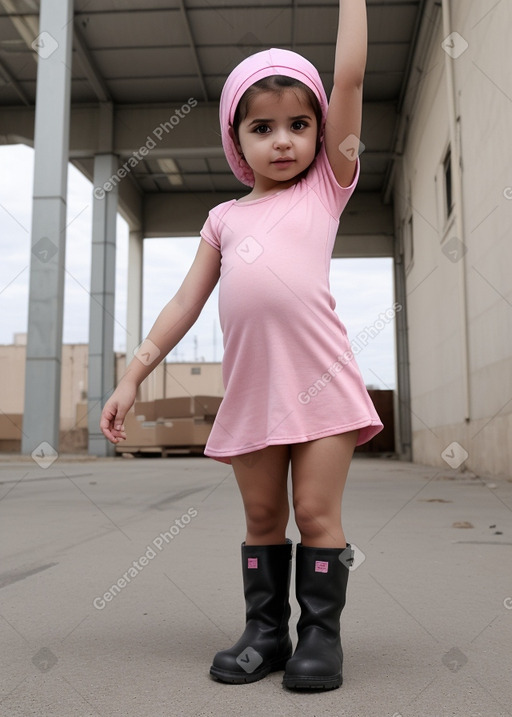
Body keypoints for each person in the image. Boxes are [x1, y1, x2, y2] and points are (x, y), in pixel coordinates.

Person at [101, 0, 383, 691]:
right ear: (238, 141)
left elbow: (346, 81)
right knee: (263, 515)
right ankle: (266, 633)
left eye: (299, 124)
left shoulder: (327, 188)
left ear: (322, 135)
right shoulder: (223, 219)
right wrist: (132, 376)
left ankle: (321, 638)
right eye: (263, 127)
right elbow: (184, 302)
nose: (283, 140)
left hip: (323, 386)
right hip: (255, 393)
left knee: (316, 513)